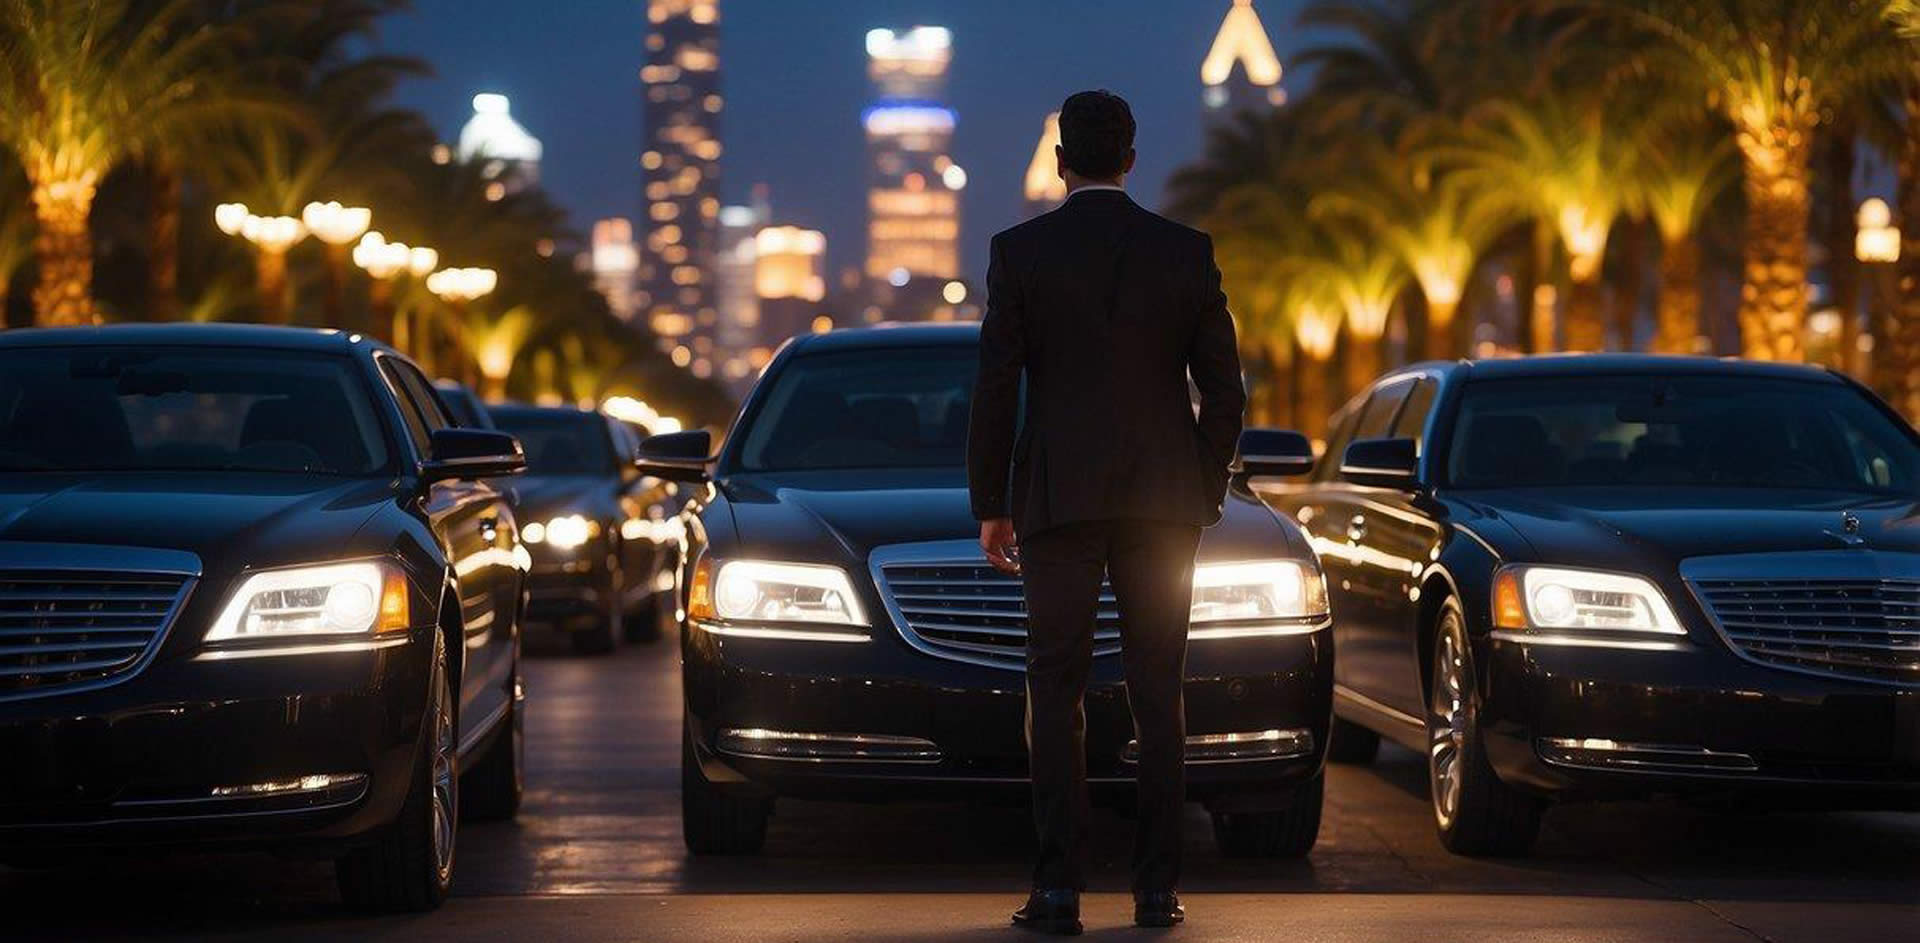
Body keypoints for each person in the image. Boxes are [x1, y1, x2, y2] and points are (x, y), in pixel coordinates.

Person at [967, 89, 1245, 934]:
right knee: (1160, 690)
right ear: (1130, 159)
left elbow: (996, 387)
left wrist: (992, 504)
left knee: (1054, 689)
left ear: (1061, 163)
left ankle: (1058, 890)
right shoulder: (1186, 252)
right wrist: (1202, 484)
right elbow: (1225, 392)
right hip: (1165, 505)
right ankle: (1156, 891)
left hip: (1057, 500)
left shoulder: (1020, 252)